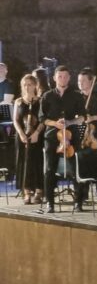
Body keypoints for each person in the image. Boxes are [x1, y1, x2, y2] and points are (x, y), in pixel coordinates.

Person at [39, 66, 85, 213]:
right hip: (52, 136)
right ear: (54, 78)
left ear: (69, 78)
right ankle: (50, 202)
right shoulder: (47, 96)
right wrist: (55, 124)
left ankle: (78, 202)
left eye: (65, 76)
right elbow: (42, 118)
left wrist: (70, 123)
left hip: (71, 137)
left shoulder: (76, 96)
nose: (63, 79)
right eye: (60, 76)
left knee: (76, 169)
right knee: (49, 169)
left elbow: (83, 117)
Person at [77, 69, 97, 205]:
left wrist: (93, 117)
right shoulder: (76, 98)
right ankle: (83, 194)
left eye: (83, 81)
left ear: (91, 81)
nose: (80, 83)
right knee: (83, 164)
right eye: (79, 81)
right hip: (81, 137)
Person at [13, 74, 44, 204]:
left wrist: (36, 133)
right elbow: (15, 120)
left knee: (36, 162)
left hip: (37, 136)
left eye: (29, 84)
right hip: (22, 136)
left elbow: (43, 120)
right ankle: (26, 191)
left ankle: (39, 190)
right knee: (23, 162)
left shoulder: (40, 101)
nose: (27, 87)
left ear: (35, 85)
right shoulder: (18, 101)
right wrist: (20, 133)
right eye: (24, 85)